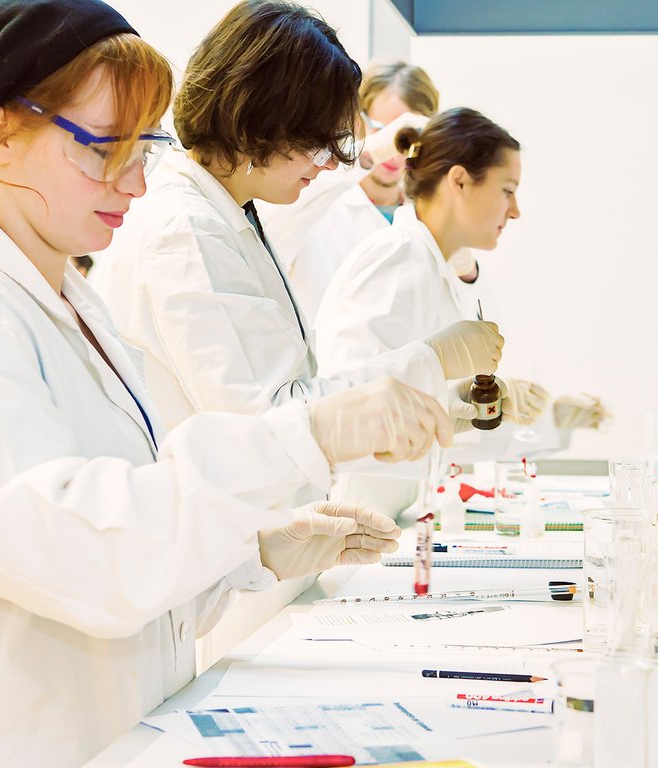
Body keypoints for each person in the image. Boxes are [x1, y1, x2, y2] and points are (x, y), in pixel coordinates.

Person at [0, 2, 452, 768]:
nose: (136, 179)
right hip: (10, 759)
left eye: (148, 146)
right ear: (2, 136)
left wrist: (254, 550)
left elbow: (131, 526)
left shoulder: (70, 300)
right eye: (107, 149)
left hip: (95, 739)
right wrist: (304, 432)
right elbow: (78, 553)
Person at [99, 2, 501, 436]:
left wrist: (435, 406)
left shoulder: (233, 212)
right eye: (318, 141)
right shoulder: (187, 235)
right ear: (261, 120)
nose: (330, 165)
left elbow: (294, 394)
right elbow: (270, 423)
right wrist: (429, 362)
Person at [316, 108, 609, 465]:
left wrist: (487, 406)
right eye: (507, 191)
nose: (515, 210)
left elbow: (439, 425)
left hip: (408, 498)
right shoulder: (397, 257)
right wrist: (441, 377)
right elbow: (343, 406)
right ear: (459, 181)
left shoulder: (438, 266)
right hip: (362, 501)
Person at [258, 61, 442, 317]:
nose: (395, 153)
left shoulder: (426, 215)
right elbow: (271, 230)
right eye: (381, 129)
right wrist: (371, 151)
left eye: (407, 138)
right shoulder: (315, 197)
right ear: (357, 121)